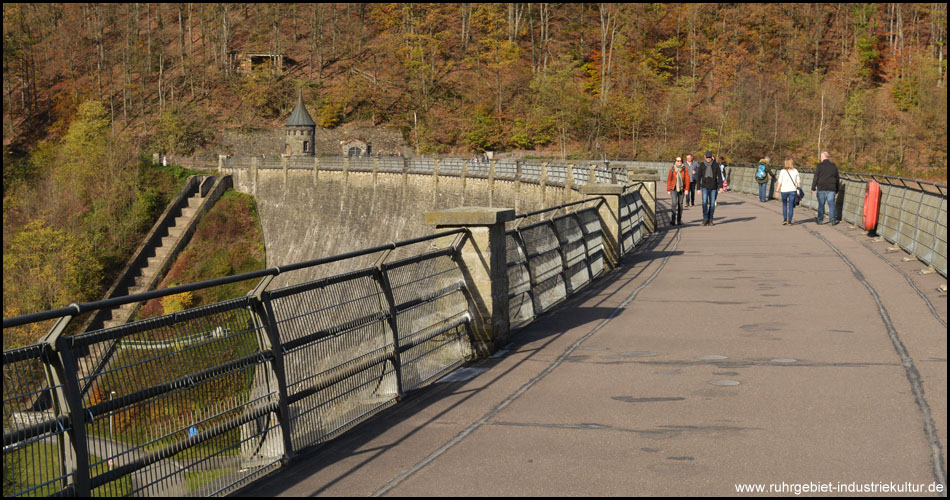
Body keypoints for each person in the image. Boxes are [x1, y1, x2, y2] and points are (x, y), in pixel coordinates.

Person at [811, 151, 840, 225]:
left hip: (821, 188)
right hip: (831, 188)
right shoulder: (834, 166)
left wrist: (813, 187)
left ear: (823, 157)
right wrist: (837, 188)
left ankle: (820, 220)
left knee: (821, 204)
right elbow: (837, 178)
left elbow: (816, 177)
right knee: (831, 204)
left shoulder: (819, 166)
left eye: (821, 157)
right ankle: (832, 220)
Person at [697, 151, 723, 226]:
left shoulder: (716, 165)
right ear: (705, 157)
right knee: (704, 202)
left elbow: (719, 177)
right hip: (704, 186)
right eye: (707, 157)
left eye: (709, 157)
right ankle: (705, 218)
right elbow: (699, 177)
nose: (708, 158)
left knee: (712, 204)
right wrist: (698, 188)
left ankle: (710, 219)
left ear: (711, 157)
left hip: (714, 187)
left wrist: (721, 187)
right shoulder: (702, 165)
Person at [775, 158, 801, 225]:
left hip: (784, 190)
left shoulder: (782, 171)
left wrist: (777, 191)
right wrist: (798, 190)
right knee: (791, 205)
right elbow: (798, 183)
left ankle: (785, 220)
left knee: (784, 205)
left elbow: (780, 182)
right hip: (792, 190)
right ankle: (789, 221)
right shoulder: (795, 171)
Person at [666, 156, 690, 226]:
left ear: (682, 161)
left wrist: (686, 189)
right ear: (675, 161)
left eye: (680, 161)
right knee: (674, 203)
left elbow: (687, 180)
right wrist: (668, 189)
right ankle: (673, 220)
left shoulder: (684, 169)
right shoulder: (672, 169)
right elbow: (669, 179)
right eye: (677, 161)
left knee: (680, 204)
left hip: (682, 189)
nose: (679, 162)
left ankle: (679, 220)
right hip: (673, 188)